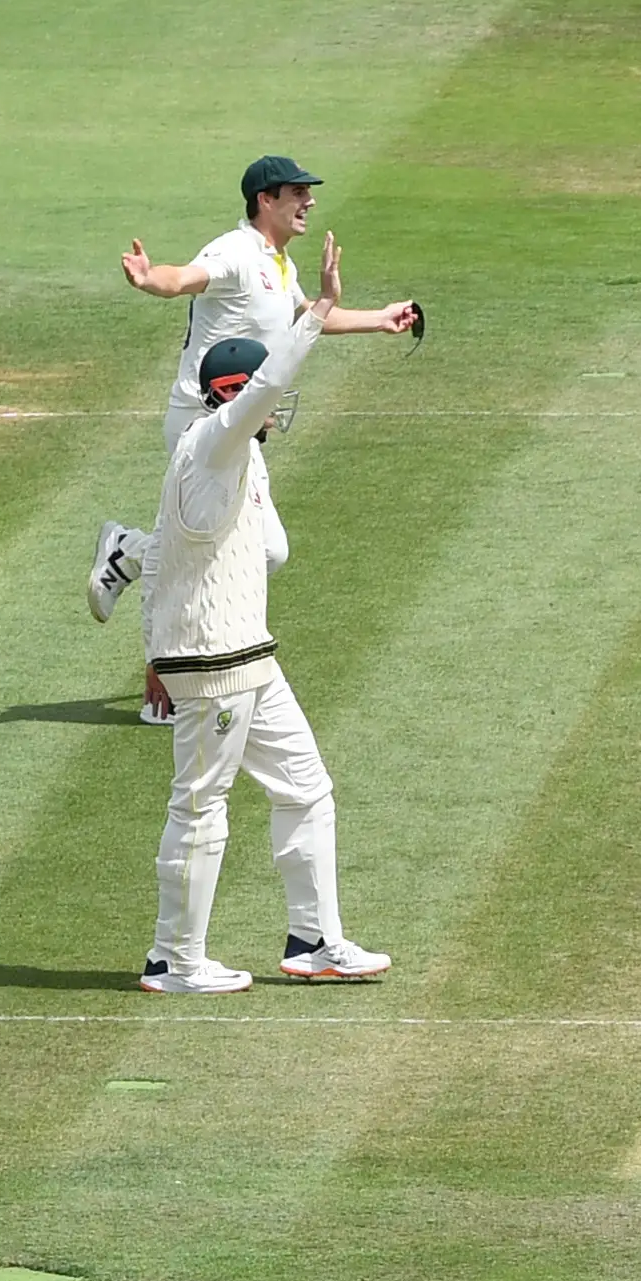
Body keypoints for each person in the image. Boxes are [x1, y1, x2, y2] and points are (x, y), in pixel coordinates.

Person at [93, 156, 418, 717]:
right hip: (204, 425)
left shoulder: (278, 263)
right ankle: (167, 668)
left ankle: (130, 553)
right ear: (264, 200)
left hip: (241, 427)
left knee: (265, 550)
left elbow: (305, 320)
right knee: (235, 547)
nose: (309, 202)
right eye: (297, 192)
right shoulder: (238, 252)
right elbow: (185, 278)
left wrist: (379, 318)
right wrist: (152, 279)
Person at [139, 311, 400, 993]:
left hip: (249, 651)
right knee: (200, 805)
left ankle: (315, 939)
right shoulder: (212, 445)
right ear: (232, 395)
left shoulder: (242, 452)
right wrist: (313, 317)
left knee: (307, 786)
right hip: (212, 660)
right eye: (260, 397)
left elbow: (170, 551)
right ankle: (175, 960)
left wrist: (148, 652)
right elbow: (268, 382)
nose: (276, 410)